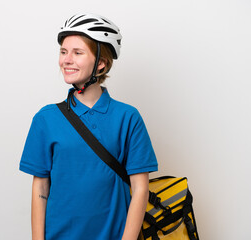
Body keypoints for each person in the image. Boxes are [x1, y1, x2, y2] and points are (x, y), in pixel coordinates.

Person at [20, 13, 158, 240]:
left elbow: (141, 188)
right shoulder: (46, 119)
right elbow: (40, 189)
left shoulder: (128, 117)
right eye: (63, 52)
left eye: (77, 53)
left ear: (101, 64)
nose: (66, 60)